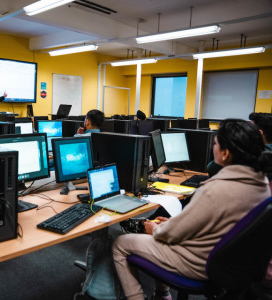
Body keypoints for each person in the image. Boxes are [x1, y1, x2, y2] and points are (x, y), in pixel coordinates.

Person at [112, 119, 271, 300]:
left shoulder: (215, 189)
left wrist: (155, 228)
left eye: (216, 144)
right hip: (228, 260)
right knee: (161, 226)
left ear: (225, 154)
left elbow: (174, 234)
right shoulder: (262, 185)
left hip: (198, 262)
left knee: (121, 243)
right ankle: (162, 295)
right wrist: (170, 223)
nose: (213, 148)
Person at [207, 112, 272, 176]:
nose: (248, 130)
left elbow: (212, 168)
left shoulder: (254, 155)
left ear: (259, 133)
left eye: (251, 128)